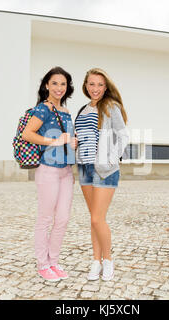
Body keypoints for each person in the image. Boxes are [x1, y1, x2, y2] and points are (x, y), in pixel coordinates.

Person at [22, 66, 78, 281]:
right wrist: (54, 141)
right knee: (45, 219)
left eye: (63, 84)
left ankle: (53, 261)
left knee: (62, 219)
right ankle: (42, 264)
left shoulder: (65, 111)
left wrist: (72, 142)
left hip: (66, 172)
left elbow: (66, 140)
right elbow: (28, 133)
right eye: (54, 83)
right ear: (46, 85)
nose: (59, 88)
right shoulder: (43, 109)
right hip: (48, 171)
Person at [74, 68, 129, 281]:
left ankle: (108, 261)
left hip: (104, 170)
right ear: (85, 86)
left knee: (98, 219)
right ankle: (95, 261)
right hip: (84, 168)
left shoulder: (111, 107)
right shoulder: (83, 109)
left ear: (106, 87)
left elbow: (123, 136)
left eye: (100, 84)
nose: (95, 88)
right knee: (94, 219)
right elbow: (82, 135)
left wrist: (111, 158)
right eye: (91, 84)